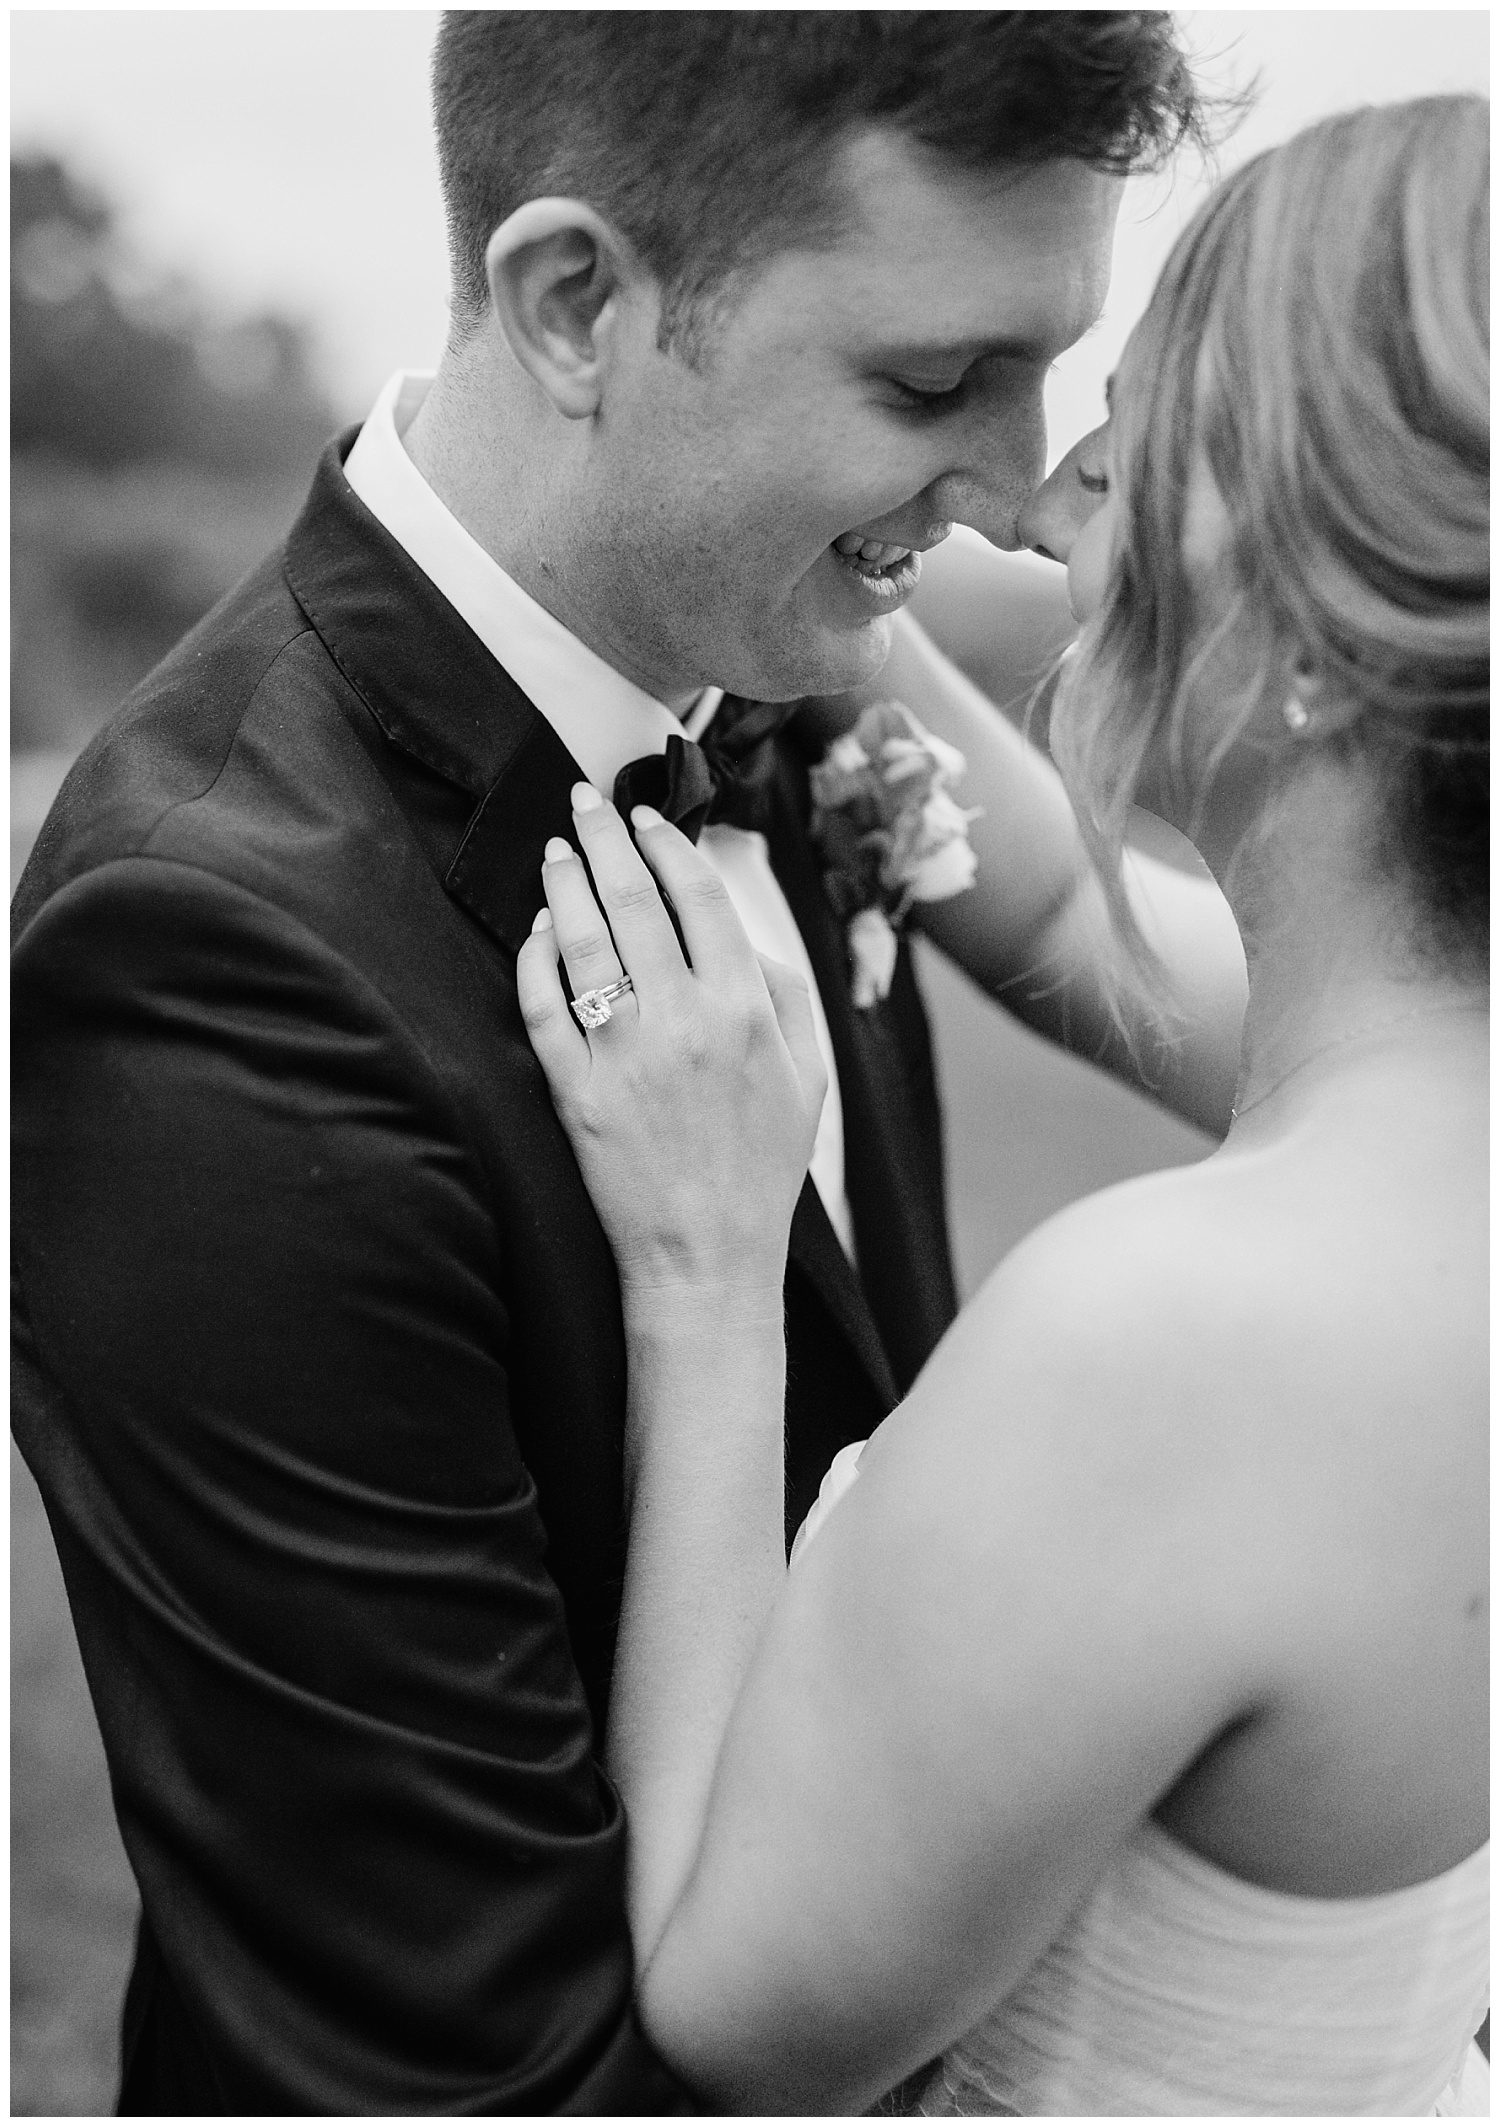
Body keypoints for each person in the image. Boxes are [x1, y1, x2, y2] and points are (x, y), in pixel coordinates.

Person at [10, 14, 1245, 2113]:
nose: (1027, 490)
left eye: (1048, 367)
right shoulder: (210, 953)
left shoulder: (767, 646)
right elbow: (475, 2049)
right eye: (935, 381)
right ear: (577, 302)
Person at [518, 95, 1489, 2116]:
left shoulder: (1170, 1345)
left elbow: (734, 2010)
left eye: (1123, 452)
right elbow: (1053, 894)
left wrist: (707, 1278)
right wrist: (796, 592)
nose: (1032, 514)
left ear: (1318, 641)